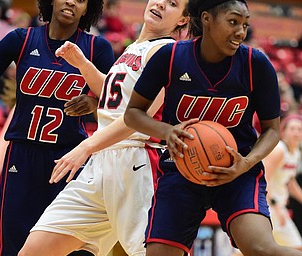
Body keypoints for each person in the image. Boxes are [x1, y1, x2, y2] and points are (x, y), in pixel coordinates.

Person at [124, 0, 302, 255]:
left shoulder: (256, 64)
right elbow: (132, 113)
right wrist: (166, 131)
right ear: (207, 18)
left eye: (244, 24)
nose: (241, 32)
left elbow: (272, 129)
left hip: (237, 170)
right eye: (233, 22)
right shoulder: (171, 56)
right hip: (182, 168)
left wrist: (246, 163)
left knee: (261, 248)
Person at [18, 0, 193, 255]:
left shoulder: (169, 52)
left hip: (138, 163)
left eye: (173, 4)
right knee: (34, 250)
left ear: (183, 20)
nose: (161, 4)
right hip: (102, 162)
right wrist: (83, 65)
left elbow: (138, 116)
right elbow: (115, 100)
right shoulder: (136, 47)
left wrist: (87, 145)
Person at [0, 0, 115, 255]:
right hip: (21, 156)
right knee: (13, 246)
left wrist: (92, 101)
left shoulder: (97, 47)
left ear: (88, 8)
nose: (71, 2)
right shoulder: (20, 39)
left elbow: (115, 102)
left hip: (67, 160)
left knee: (64, 247)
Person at [264, 114, 302, 250]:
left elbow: (290, 183)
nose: (296, 133)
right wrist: (277, 206)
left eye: (299, 129)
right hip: (268, 205)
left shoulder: (296, 153)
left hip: (277, 206)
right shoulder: (279, 150)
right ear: (283, 131)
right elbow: (264, 179)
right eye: (292, 129)